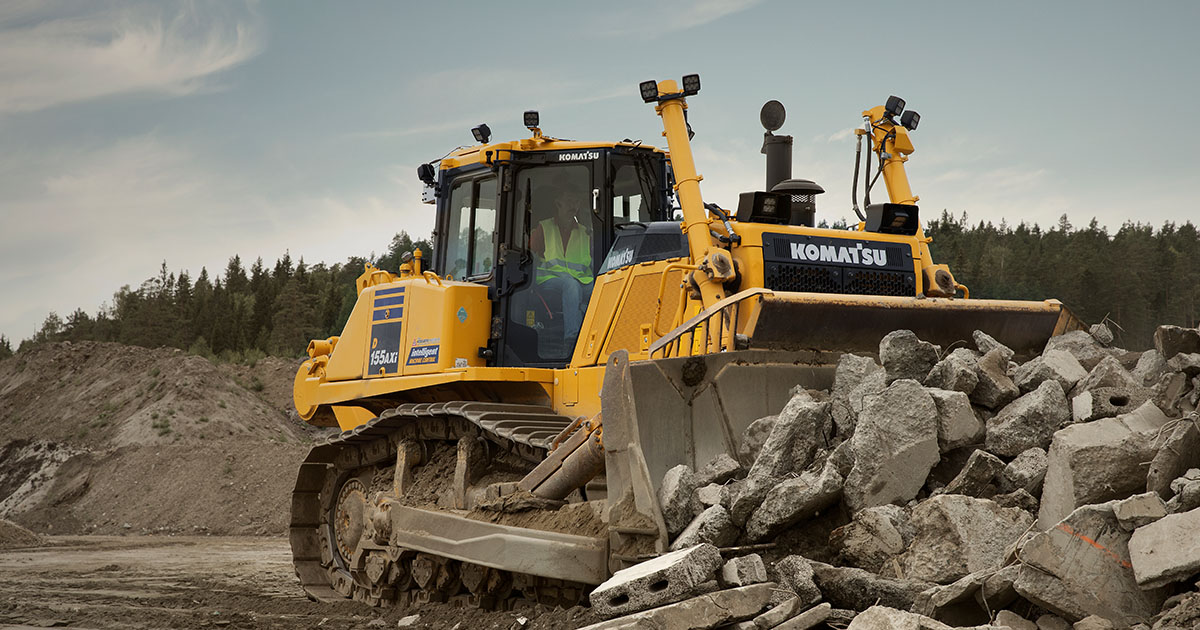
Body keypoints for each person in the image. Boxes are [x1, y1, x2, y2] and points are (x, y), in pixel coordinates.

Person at [530, 189, 593, 340]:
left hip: (581, 280)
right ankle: (572, 339)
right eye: (570, 200)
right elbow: (529, 254)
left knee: (601, 289)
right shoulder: (544, 228)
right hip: (549, 279)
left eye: (577, 202)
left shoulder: (585, 233)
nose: (574, 206)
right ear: (558, 203)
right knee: (570, 285)